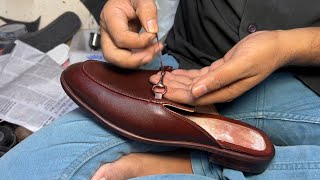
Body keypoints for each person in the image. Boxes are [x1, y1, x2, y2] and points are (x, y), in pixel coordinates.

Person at [0, 0, 320, 179]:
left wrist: (288, 45)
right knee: (24, 170)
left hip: (308, 84)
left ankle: (195, 166)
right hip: (188, 63)